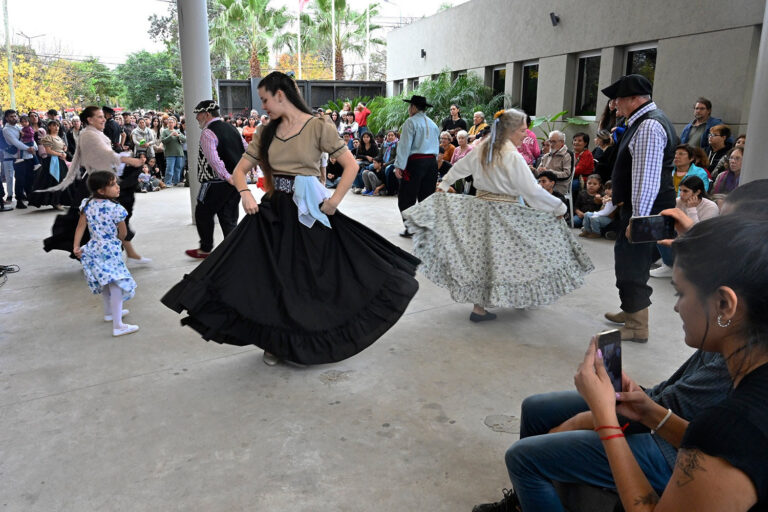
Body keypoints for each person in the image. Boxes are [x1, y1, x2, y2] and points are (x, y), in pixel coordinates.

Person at [161, 71, 420, 366]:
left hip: (311, 211)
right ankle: (275, 342)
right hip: (274, 211)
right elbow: (238, 171)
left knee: (316, 275)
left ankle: (312, 338)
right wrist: (245, 193)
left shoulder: (318, 126)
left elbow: (349, 166)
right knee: (272, 277)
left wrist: (335, 201)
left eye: (265, 99)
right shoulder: (265, 131)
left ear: (281, 95)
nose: (264, 106)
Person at [573, 215, 768, 512]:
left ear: (724, 305)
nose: (676, 306)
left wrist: (606, 422)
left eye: (681, 293)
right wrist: (651, 412)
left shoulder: (731, 426)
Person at [403, 108, 593, 322]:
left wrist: (445, 183)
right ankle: (514, 297)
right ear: (510, 130)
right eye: (522, 130)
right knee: (520, 251)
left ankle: (479, 307)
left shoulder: (485, 147)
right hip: (505, 212)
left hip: (481, 208)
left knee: (485, 258)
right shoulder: (511, 156)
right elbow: (531, 190)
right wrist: (559, 208)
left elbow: (461, 166)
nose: (525, 134)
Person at [601, 74, 678, 344]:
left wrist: (638, 218)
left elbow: (647, 179)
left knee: (631, 264)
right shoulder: (645, 121)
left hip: (646, 210)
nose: (614, 104)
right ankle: (631, 310)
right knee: (633, 261)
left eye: (619, 98)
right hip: (645, 209)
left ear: (634, 99)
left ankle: (637, 325)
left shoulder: (649, 126)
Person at [42, 106, 147, 263]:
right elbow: (107, 154)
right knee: (94, 220)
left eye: (103, 116)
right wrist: (130, 160)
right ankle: (99, 252)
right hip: (96, 185)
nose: (103, 119)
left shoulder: (94, 133)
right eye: (99, 116)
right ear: (89, 120)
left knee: (116, 216)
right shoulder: (88, 135)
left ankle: (127, 251)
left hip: (103, 181)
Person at [73, 170, 139, 337]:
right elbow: (123, 234)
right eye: (113, 184)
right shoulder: (116, 208)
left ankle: (109, 313)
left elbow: (80, 226)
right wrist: (117, 240)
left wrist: (76, 246)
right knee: (116, 284)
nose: (117, 187)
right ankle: (118, 326)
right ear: (101, 190)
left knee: (106, 283)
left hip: (94, 248)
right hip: (110, 250)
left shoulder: (87, 204)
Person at [184, 100, 247, 259]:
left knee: (202, 213)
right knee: (229, 218)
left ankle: (205, 249)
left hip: (214, 182)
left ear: (206, 114)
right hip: (235, 182)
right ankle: (234, 252)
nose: (197, 117)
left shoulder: (208, 132)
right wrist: (240, 174)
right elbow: (247, 149)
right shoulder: (232, 128)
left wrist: (227, 176)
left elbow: (214, 160)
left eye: (198, 114)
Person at [651, 175, 719, 278]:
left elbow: (699, 233)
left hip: (702, 244)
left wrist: (692, 209)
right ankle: (669, 264)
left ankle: (676, 264)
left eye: (685, 191)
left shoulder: (711, 207)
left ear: (697, 192)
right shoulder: (678, 201)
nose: (681, 194)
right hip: (683, 237)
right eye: (680, 190)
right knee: (659, 229)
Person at [394, 95, 440, 238]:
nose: (409, 109)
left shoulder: (410, 122)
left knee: (406, 197)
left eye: (410, 106)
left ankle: (411, 228)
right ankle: (425, 228)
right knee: (426, 197)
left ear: (413, 107)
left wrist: (399, 166)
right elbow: (436, 147)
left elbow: (404, 146)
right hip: (431, 163)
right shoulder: (433, 124)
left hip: (415, 163)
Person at [29, 120, 68, 209]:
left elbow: (64, 147)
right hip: (52, 162)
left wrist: (64, 152)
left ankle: (60, 200)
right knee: (53, 181)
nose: (56, 127)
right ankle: (55, 202)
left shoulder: (59, 137)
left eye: (57, 126)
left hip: (60, 161)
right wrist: (60, 154)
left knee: (62, 180)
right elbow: (48, 151)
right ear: (49, 127)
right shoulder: (47, 137)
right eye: (54, 125)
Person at [2, 109, 35, 209]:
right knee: (19, 179)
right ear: (6, 118)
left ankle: (30, 197)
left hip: (27, 156)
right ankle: (19, 200)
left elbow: (30, 138)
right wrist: (28, 148)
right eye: (11, 116)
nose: (14, 118)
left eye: (15, 116)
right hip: (16, 158)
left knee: (28, 178)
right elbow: (15, 142)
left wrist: (34, 147)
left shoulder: (19, 127)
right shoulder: (6, 130)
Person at [535, 131, 573, 196]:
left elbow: (566, 175)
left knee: (540, 192)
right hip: (544, 183)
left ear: (562, 142)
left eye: (554, 142)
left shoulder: (567, 155)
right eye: (550, 141)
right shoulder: (546, 156)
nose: (551, 144)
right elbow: (538, 173)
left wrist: (549, 172)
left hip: (559, 185)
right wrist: (534, 170)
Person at [161, 116, 186, 187]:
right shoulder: (165, 131)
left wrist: (178, 135)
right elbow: (163, 141)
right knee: (169, 168)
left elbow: (184, 140)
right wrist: (170, 135)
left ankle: (176, 182)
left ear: (175, 124)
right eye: (169, 122)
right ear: (167, 124)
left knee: (178, 168)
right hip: (170, 153)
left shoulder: (177, 131)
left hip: (179, 152)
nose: (171, 124)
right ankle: (167, 182)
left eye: (172, 122)